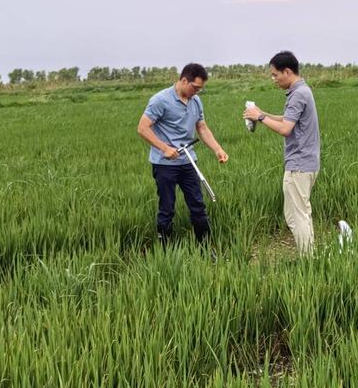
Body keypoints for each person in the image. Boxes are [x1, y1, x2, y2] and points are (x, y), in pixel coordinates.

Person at [137, 63, 228, 245]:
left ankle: (205, 248)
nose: (197, 92)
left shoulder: (195, 101)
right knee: (167, 209)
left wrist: (217, 149)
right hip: (164, 164)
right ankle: (166, 251)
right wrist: (165, 148)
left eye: (200, 89)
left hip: (188, 162)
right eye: (195, 87)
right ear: (184, 80)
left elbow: (201, 127)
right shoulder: (160, 100)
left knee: (198, 206)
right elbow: (142, 128)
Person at [244, 51, 320, 254]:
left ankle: (308, 259)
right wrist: (261, 113)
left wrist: (260, 118)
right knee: (297, 212)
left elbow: (285, 129)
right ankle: (309, 253)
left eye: (275, 75)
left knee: (298, 215)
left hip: (299, 165)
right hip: (306, 163)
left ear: (287, 72)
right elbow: (287, 119)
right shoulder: (302, 91)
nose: (273, 79)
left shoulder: (298, 94)